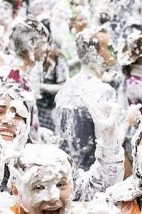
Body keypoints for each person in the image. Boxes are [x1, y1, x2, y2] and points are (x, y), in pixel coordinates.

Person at [50, 27, 118, 170]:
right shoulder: (104, 92)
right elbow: (110, 146)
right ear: (95, 54)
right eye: (109, 47)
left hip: (67, 171)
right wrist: (128, 121)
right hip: (93, 175)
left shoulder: (65, 88)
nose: (115, 50)